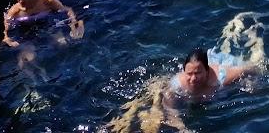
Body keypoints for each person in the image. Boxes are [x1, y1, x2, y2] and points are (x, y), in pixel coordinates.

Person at [106, 47, 256, 133]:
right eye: (189, 73)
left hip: (224, 63)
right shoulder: (177, 85)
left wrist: (251, 81)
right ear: (184, 71)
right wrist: (182, 128)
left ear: (208, 70)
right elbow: (170, 111)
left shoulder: (222, 78)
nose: (192, 78)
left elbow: (252, 67)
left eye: (198, 73)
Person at [3, 0, 83, 64]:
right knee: (28, 58)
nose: (20, 0)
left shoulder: (48, 1)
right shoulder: (15, 10)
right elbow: (5, 26)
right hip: (25, 31)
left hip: (47, 24)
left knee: (63, 43)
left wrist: (73, 22)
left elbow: (68, 10)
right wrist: (6, 38)